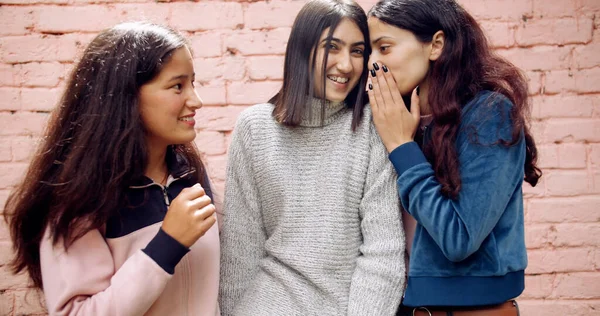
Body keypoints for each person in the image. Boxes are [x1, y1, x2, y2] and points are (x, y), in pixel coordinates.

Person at [4, 22, 220, 315]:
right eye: (177, 86)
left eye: (193, 83)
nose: (196, 100)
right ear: (126, 96)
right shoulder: (79, 198)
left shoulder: (190, 174)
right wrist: (167, 245)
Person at [218, 0, 405, 315]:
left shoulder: (372, 127)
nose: (345, 65)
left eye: (357, 51)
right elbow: (240, 254)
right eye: (332, 47)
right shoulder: (254, 128)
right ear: (302, 50)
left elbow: (383, 253)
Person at [365, 0, 542, 315]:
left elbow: (459, 239)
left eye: (384, 47)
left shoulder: (488, 114)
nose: (372, 62)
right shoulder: (395, 121)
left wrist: (401, 147)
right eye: (369, 51)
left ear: (435, 45)